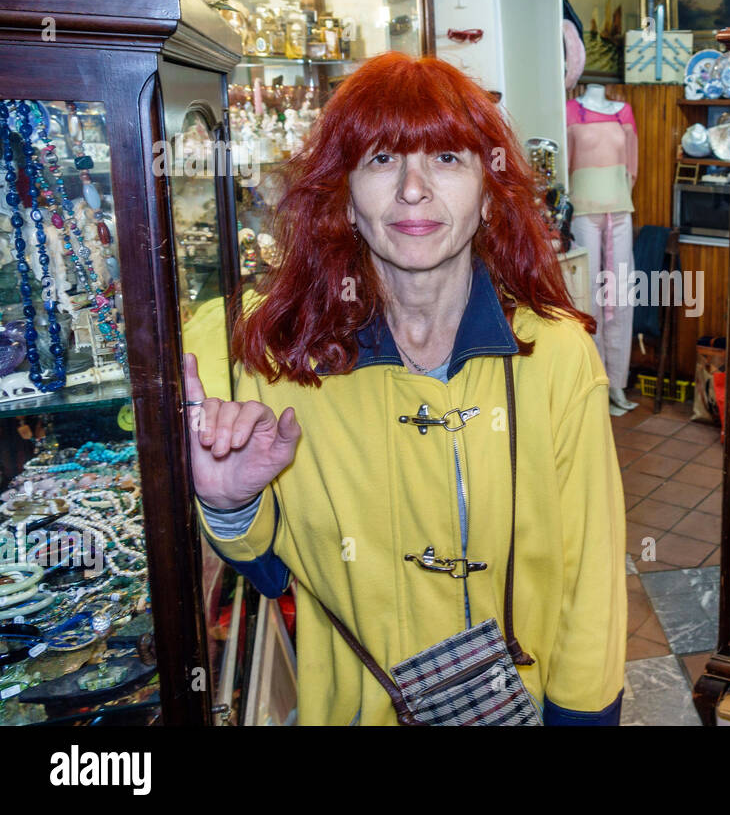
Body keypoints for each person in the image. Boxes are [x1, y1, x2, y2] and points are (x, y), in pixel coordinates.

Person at [184, 52, 627, 725]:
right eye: (381, 159)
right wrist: (232, 507)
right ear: (345, 200)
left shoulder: (556, 355)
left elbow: (592, 576)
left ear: (488, 193)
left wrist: (583, 719)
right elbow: (270, 569)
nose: (413, 189)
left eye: (447, 159)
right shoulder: (275, 358)